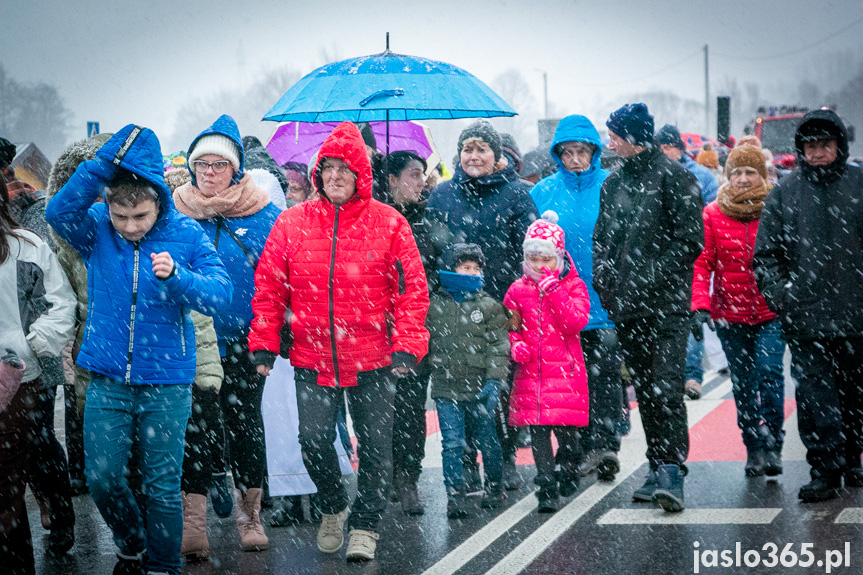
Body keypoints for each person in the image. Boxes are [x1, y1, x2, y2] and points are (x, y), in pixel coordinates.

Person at [45, 124, 233, 575]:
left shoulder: (185, 235)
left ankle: (163, 566)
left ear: (158, 204)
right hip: (107, 376)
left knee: (163, 486)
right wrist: (101, 168)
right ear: (107, 205)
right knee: (103, 479)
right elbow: (57, 211)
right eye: (121, 217)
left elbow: (220, 294)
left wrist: (180, 279)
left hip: (166, 379)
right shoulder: (94, 229)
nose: (130, 228)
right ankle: (131, 544)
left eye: (141, 217)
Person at [249, 121, 429, 561]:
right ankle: (333, 507)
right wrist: (264, 341)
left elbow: (412, 290)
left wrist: (407, 343)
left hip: (373, 355)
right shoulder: (291, 224)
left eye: (344, 169)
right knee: (311, 440)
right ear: (317, 173)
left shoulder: (390, 224)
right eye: (327, 168)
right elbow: (270, 287)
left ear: (361, 174)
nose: (334, 176)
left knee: (375, 447)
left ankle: (366, 525)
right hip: (311, 353)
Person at [173, 114, 281, 556]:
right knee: (195, 429)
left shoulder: (266, 214)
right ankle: (193, 524)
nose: (210, 173)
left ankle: (250, 515)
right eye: (202, 165)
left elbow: (276, 283)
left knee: (244, 426)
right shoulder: (174, 211)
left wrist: (267, 340)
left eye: (219, 165)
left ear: (236, 168)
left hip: (243, 339)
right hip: (193, 340)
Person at [593, 103, 704, 513]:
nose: (610, 142)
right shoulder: (613, 183)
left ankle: (672, 468)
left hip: (667, 306)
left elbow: (689, 242)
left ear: (634, 137)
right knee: (645, 389)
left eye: (615, 135)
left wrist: (649, 274)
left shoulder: (676, 178)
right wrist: (605, 281)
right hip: (627, 308)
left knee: (666, 387)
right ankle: (656, 463)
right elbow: (601, 240)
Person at [754, 108, 863, 502]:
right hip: (806, 317)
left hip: (856, 316)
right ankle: (825, 468)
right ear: (801, 149)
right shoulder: (786, 191)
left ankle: (852, 459)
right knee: (816, 399)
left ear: (839, 146)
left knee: (854, 394)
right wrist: (783, 294)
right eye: (810, 146)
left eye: (824, 145)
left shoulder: (859, 184)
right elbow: (766, 254)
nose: (817, 153)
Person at [428, 119, 538, 490]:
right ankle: (466, 461)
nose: (473, 157)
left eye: (481, 149)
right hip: (454, 310)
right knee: (459, 387)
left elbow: (528, 250)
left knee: (498, 387)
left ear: (497, 156)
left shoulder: (517, 194)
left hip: (500, 307)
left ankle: (503, 458)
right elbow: (431, 250)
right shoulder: (443, 195)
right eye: (467, 149)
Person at [530, 115, 623, 482]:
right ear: (557, 155)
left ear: (594, 151)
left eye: (581, 151)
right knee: (569, 380)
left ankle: (606, 443)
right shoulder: (542, 192)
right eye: (566, 152)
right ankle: (579, 447)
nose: (574, 159)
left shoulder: (611, 185)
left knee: (604, 377)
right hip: (562, 302)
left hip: (605, 299)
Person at [692, 145, 785, 478]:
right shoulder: (713, 213)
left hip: (770, 311)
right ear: (727, 176)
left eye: (750, 172)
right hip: (730, 314)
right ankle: (753, 446)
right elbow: (703, 263)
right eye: (736, 173)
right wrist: (700, 304)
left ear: (761, 175)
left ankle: (773, 439)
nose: (743, 179)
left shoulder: (775, 208)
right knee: (744, 384)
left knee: (771, 373)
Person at [0, 173, 76, 575]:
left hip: (27, 371)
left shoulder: (29, 236)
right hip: (24, 362)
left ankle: (59, 514)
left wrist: (29, 345)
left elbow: (59, 300)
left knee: (36, 449)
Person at [378, 151, 453, 515]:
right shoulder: (372, 219)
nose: (421, 181)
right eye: (412, 174)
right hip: (373, 330)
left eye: (423, 174)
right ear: (390, 179)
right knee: (376, 411)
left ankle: (408, 477)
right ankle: (384, 475)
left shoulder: (429, 221)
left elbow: (442, 271)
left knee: (410, 408)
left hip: (415, 329)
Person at [505, 211, 591, 513]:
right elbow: (511, 326)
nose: (541, 267)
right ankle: (545, 486)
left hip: (565, 372)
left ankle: (570, 465)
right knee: (538, 430)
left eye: (547, 260)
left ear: (559, 258)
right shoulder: (517, 290)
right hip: (531, 373)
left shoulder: (573, 286)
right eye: (534, 259)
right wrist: (515, 345)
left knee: (567, 432)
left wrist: (554, 291)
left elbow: (575, 322)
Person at [45, 133, 113, 495]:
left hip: (130, 353)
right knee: (83, 415)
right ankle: (82, 472)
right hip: (85, 351)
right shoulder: (69, 247)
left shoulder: (131, 230)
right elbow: (63, 304)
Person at [427, 243, 509, 517]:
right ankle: (455, 495)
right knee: (451, 443)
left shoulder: (488, 306)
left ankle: (494, 487)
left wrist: (495, 379)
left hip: (480, 385)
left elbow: (498, 345)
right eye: (465, 268)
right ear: (451, 269)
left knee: (488, 440)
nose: (472, 273)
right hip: (445, 385)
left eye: (476, 268)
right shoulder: (434, 305)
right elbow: (424, 338)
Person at [656, 124, 721, 401]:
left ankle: (692, 376)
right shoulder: (655, 174)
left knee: (691, 314)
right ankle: (670, 376)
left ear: (676, 149)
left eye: (665, 148)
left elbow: (712, 213)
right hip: (663, 255)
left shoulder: (701, 176)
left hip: (693, 253)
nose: (660, 153)